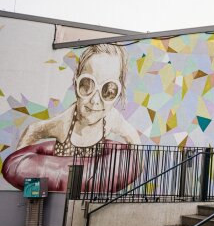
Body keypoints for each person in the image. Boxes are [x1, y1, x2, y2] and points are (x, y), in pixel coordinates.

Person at [2, 44, 140, 191]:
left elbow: (134, 141)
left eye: (109, 90)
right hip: (57, 196)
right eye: (87, 85)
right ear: (75, 83)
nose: (95, 100)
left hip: (88, 196)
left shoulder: (112, 119)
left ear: (119, 94)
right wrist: (25, 177)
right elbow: (33, 130)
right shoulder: (64, 123)